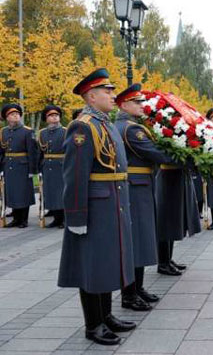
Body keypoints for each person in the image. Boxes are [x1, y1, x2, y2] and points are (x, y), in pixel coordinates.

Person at [57, 68, 136, 345]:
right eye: (107, 91)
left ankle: (106, 315)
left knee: (108, 262)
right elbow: (75, 175)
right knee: (92, 265)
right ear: (91, 96)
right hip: (95, 205)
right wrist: (76, 216)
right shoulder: (83, 126)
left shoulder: (106, 123)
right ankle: (93, 324)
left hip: (112, 202)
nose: (113, 95)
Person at [115, 84, 176, 311]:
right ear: (123, 105)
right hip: (136, 187)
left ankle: (136, 289)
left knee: (139, 240)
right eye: (136, 102)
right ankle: (129, 294)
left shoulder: (129, 126)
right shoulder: (131, 129)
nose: (142, 105)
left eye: (141, 101)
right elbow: (153, 153)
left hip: (139, 186)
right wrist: (184, 156)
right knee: (136, 240)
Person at [155, 103, 202, 274]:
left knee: (174, 221)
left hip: (178, 177)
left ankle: (169, 258)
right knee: (165, 222)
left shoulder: (179, 130)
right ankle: (162, 262)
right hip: (167, 178)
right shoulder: (160, 131)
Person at [0, 103, 37, 228]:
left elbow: (32, 152)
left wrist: (32, 170)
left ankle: (23, 220)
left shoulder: (27, 131)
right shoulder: (3, 132)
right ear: (7, 117)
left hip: (22, 166)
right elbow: (1, 151)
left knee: (23, 192)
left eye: (17, 114)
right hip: (9, 165)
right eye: (12, 114)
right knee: (12, 192)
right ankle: (16, 218)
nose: (15, 116)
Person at [37, 105, 67, 228]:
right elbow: (40, 152)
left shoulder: (66, 131)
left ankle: (64, 219)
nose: (54, 117)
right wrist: (38, 168)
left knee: (61, 193)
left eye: (56, 115)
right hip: (47, 166)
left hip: (61, 166)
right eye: (51, 116)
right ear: (46, 118)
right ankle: (56, 218)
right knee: (50, 193)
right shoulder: (42, 133)